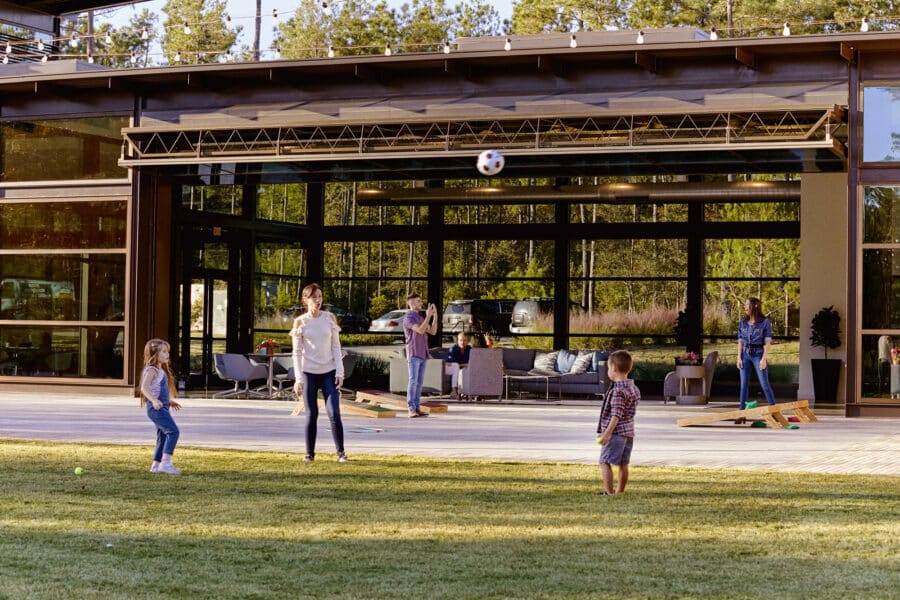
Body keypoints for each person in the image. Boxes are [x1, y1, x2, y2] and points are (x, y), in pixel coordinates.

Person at [291, 283, 347, 463]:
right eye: (314, 297)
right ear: (306, 300)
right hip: (309, 373)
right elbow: (297, 352)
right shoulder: (300, 322)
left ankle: (341, 453)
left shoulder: (329, 318)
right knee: (311, 413)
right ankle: (309, 454)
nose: (318, 300)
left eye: (320, 297)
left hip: (328, 372)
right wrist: (298, 379)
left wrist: (340, 371)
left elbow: (336, 347)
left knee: (334, 413)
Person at [596, 349, 640, 496]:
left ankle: (608, 492)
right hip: (628, 432)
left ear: (613, 368)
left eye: (609, 368)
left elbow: (616, 415)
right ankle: (619, 492)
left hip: (616, 433)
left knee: (604, 461)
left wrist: (606, 434)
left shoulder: (618, 392)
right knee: (623, 463)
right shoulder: (633, 388)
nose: (609, 370)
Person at [139, 338, 182, 475]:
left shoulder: (159, 370)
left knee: (163, 436)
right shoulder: (152, 370)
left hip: (160, 408)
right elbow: (144, 388)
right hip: (155, 409)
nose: (167, 354)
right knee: (173, 432)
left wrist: (168, 401)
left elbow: (156, 389)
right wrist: (154, 401)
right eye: (163, 352)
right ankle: (166, 463)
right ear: (154, 354)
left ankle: (156, 465)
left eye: (167, 352)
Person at [736, 297, 777, 422]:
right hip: (745, 355)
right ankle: (741, 413)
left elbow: (767, 342)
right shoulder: (742, 323)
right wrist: (738, 357)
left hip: (758, 354)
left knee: (764, 384)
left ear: (754, 306)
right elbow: (740, 341)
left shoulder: (764, 322)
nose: (745, 307)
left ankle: (774, 412)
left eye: (747, 304)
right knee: (743, 385)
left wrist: (764, 359)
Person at [403, 292, 438, 417]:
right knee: (413, 381)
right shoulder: (408, 318)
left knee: (419, 383)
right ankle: (410, 408)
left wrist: (435, 316)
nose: (420, 303)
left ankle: (417, 408)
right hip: (413, 353)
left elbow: (433, 331)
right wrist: (428, 315)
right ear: (410, 303)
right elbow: (420, 330)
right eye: (418, 301)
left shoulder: (421, 317)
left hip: (423, 354)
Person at [445, 331, 471, 400]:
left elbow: (471, 362)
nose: (462, 342)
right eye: (461, 340)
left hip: (462, 369)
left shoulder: (469, 349)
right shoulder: (453, 349)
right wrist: (464, 365)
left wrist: (465, 365)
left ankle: (465, 392)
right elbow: (453, 364)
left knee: (468, 369)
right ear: (458, 341)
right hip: (450, 368)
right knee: (457, 366)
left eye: (464, 340)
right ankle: (454, 391)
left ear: (467, 341)